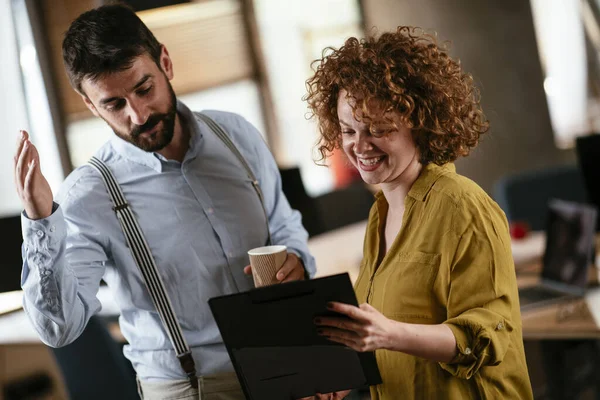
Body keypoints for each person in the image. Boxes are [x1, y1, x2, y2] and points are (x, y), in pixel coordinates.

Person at [14, 4, 314, 400]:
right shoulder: (88, 194)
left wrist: (295, 256)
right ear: (90, 105)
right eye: (113, 104)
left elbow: (283, 221)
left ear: (166, 63)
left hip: (287, 367)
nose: (138, 115)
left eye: (143, 89)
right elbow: (60, 328)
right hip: (191, 389)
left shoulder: (236, 135)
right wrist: (40, 222)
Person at [304, 27, 534, 399]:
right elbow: (392, 345)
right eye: (348, 130)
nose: (359, 146)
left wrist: (388, 334)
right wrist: (346, 380)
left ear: (419, 121)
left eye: (378, 129)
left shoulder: (463, 208)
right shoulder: (380, 213)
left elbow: (488, 336)